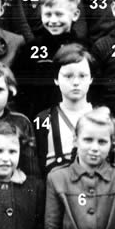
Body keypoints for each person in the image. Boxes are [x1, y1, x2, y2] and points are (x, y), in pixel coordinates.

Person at [15, 0, 86, 118]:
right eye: (48, 14)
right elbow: (21, 90)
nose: (53, 20)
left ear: (75, 15)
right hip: (39, 117)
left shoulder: (84, 48)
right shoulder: (31, 49)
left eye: (59, 14)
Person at [33, 44, 95, 173]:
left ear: (91, 79)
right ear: (56, 79)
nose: (76, 82)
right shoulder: (44, 119)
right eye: (68, 76)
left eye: (82, 76)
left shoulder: (102, 116)